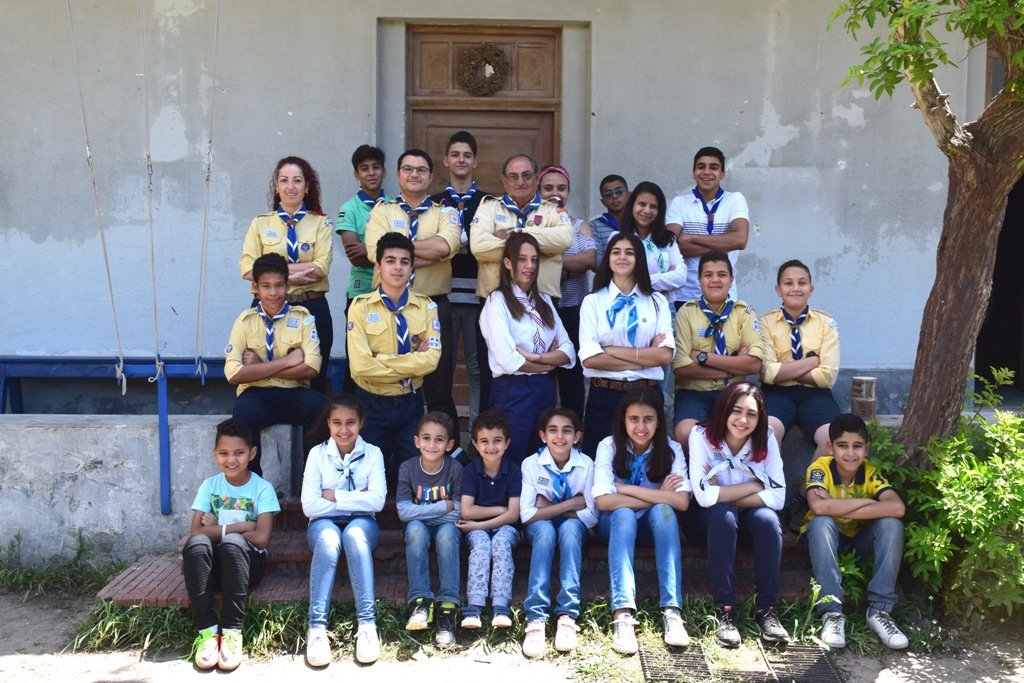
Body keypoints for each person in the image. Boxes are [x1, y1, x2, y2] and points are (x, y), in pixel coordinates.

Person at [365, 149, 463, 455]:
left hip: (433, 306)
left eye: (421, 170)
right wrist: (425, 252)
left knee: (438, 388)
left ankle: (448, 459)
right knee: (391, 383)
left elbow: (445, 246)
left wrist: (398, 251)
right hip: (388, 309)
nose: (414, 175)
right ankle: (394, 459)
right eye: (408, 169)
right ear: (397, 175)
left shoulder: (446, 212)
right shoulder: (382, 211)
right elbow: (375, 252)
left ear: (431, 177)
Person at [687, 382, 788, 648]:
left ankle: (767, 609)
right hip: (708, 523)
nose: (743, 420)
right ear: (723, 410)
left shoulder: (766, 438)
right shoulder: (700, 436)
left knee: (768, 520)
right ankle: (726, 610)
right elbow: (703, 497)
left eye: (751, 414)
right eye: (736, 411)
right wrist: (755, 485)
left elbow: (778, 497)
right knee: (724, 515)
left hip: (748, 520)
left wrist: (724, 492)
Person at [470, 153, 574, 410]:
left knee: (548, 377)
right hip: (497, 303)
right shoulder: (489, 208)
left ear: (537, 178)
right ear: (504, 181)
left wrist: (514, 234)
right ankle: (489, 434)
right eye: (513, 176)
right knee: (491, 376)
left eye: (527, 175)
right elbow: (478, 246)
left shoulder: (552, 210)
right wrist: (538, 242)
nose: (520, 182)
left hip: (543, 302)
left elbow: (564, 239)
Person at [592, 387, 690, 654]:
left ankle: (672, 610)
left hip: (650, 527)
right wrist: (660, 495)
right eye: (633, 419)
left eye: (648, 419)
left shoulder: (672, 449)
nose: (641, 427)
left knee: (665, 512)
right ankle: (622, 613)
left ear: (659, 421)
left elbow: (681, 502)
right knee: (624, 513)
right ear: (623, 420)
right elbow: (604, 502)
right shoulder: (607, 446)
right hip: (612, 526)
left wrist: (625, 489)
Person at [801, 413, 908, 650]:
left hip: (858, 543)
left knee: (891, 524)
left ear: (866, 449)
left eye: (857, 446)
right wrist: (869, 503)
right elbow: (818, 506)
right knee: (821, 522)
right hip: (823, 542)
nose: (850, 453)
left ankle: (879, 611)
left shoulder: (871, 472)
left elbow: (897, 507)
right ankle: (831, 612)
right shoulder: (820, 468)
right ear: (830, 447)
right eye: (842, 446)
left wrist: (837, 506)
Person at [181, 419, 279, 671]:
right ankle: (207, 631)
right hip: (213, 569)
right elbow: (196, 533)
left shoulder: (262, 489)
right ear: (215, 453)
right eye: (224, 453)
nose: (231, 460)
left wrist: (216, 530)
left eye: (239, 453)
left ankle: (232, 631)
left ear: (252, 453)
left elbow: (262, 538)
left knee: (233, 544)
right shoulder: (210, 486)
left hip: (247, 567)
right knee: (197, 544)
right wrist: (242, 526)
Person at [347, 232, 441, 489]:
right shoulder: (360, 307)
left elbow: (431, 361)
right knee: (366, 482)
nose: (398, 267)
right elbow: (360, 366)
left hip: (411, 404)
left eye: (404, 261)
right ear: (378, 266)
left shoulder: (426, 307)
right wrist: (413, 360)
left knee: (415, 482)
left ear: (412, 267)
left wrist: (380, 361)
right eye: (390, 261)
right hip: (371, 404)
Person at [301, 394, 386, 666]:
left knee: (353, 535)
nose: (344, 429)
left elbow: (377, 501)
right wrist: (357, 499)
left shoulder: (373, 453)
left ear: (361, 423)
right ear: (328, 423)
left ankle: (367, 626)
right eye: (337, 422)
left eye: (351, 422)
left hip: (363, 523)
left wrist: (334, 496)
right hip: (322, 524)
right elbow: (309, 506)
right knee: (329, 539)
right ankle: (316, 629)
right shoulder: (317, 454)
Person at [225, 253, 325, 477]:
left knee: (320, 407)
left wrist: (257, 368)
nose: (273, 293)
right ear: (255, 287)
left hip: (294, 392)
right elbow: (233, 374)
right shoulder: (245, 321)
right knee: (243, 413)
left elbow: (311, 368)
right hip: (256, 394)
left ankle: (312, 482)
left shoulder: (304, 317)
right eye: (266, 286)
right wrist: (287, 362)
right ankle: (253, 484)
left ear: (288, 285)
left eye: (279, 285)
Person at [240, 156, 334, 394]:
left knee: (313, 380)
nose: (290, 187)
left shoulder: (321, 223)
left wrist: (269, 271)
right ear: (276, 186)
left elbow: (319, 269)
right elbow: (248, 269)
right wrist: (290, 278)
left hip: (311, 306)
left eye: (297, 181)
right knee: (260, 371)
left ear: (307, 187)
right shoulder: (260, 224)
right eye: (284, 180)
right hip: (267, 307)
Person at [480, 232, 576, 465]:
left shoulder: (544, 301)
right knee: (511, 459)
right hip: (513, 391)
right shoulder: (497, 302)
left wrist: (537, 357)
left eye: (534, 259)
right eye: (522, 259)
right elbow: (508, 360)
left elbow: (569, 352)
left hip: (545, 390)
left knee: (541, 459)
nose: (529, 266)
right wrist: (550, 362)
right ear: (508, 262)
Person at [579, 232, 675, 459]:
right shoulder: (593, 301)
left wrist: (611, 351)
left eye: (629, 253)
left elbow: (664, 356)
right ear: (608, 259)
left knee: (648, 463)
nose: (622, 257)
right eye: (616, 252)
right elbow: (591, 359)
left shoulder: (657, 301)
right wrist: (646, 358)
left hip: (647, 395)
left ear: (639, 258)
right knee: (600, 463)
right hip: (605, 395)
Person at [519, 407, 598, 658]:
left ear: (577, 437)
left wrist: (549, 508)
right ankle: (536, 616)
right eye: (553, 430)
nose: (560, 437)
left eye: (567, 431)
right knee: (545, 531)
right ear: (543, 436)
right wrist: (571, 504)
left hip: (571, 527)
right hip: (540, 527)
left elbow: (592, 516)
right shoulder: (531, 464)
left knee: (571, 528)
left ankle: (567, 614)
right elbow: (527, 515)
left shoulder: (586, 465)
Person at [672, 250, 763, 451]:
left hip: (735, 394)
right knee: (686, 433)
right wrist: (732, 368)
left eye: (722, 275)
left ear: (731, 280)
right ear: (699, 280)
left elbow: (754, 364)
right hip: (695, 394)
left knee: (745, 431)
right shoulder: (686, 313)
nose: (715, 280)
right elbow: (680, 366)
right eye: (708, 275)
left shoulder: (744, 313)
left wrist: (704, 357)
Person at [432, 132, 488, 435]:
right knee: (444, 368)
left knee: (479, 368)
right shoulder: (434, 203)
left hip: (480, 296)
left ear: (475, 161)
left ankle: (479, 434)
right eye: (455, 154)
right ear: (446, 160)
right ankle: (446, 436)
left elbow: (491, 244)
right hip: (443, 294)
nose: (461, 160)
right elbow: (432, 244)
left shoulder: (488, 203)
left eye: (467, 155)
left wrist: (449, 244)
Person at [759, 259, 841, 459]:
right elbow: (768, 373)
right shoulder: (765, 323)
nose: (795, 288)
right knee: (768, 432)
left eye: (802, 283)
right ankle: (774, 480)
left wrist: (784, 370)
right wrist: (812, 362)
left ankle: (810, 481)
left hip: (815, 394)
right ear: (778, 290)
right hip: (776, 393)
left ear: (811, 289)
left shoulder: (826, 323)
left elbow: (827, 377)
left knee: (832, 439)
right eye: (788, 283)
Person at [398, 411, 464, 647]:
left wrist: (426, 511)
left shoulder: (455, 468)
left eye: (439, 439)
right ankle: (421, 602)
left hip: (448, 526)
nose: (432, 445)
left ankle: (448, 607)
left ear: (449, 445)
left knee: (446, 534)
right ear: (417, 441)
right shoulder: (407, 468)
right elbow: (403, 512)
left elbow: (460, 511)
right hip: (422, 525)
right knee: (415, 530)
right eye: (426, 438)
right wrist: (443, 506)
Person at [539, 165, 597, 420]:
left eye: (561, 188)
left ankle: (575, 432)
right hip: (539, 312)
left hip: (572, 311)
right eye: (548, 188)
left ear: (569, 192)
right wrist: (567, 265)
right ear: (539, 191)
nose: (555, 193)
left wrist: (548, 262)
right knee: (542, 374)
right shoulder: (532, 224)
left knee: (572, 376)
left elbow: (589, 260)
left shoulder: (580, 227)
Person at [456, 411, 522, 630]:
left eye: (497, 441)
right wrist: (501, 509)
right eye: (484, 441)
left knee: (500, 542)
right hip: (480, 529)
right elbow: (467, 511)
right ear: (475, 444)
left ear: (507, 443)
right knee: (482, 543)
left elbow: (513, 516)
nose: (491, 447)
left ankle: (500, 606)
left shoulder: (514, 471)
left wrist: (479, 524)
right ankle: (474, 606)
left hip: (506, 528)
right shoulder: (470, 471)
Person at [337, 145, 391, 394]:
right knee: (356, 362)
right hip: (360, 294)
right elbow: (355, 256)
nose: (371, 173)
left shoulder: (395, 206)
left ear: (384, 171)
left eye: (376, 167)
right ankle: (350, 414)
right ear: (356, 174)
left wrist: (368, 249)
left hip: (392, 293)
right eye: (364, 168)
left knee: (387, 356)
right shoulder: (349, 209)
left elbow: (403, 251)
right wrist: (389, 253)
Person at [666, 147, 749, 302]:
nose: (706, 172)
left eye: (714, 167)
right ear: (693, 173)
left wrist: (690, 237)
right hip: (684, 295)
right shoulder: (679, 203)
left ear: (723, 174)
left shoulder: (735, 200)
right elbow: (670, 246)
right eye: (701, 166)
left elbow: (740, 240)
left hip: (724, 295)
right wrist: (724, 244)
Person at [619, 181, 687, 308]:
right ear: (632, 205)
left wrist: (640, 280)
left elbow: (681, 277)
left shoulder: (669, 239)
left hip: (664, 309)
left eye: (653, 206)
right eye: (642, 204)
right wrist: (665, 279)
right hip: (629, 308)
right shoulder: (618, 239)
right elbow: (619, 280)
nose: (647, 210)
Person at [589, 174, 630, 265]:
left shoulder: (638, 222)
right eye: (608, 194)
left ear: (629, 195)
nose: (614, 196)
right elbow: (597, 262)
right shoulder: (594, 226)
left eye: (619, 191)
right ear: (603, 202)